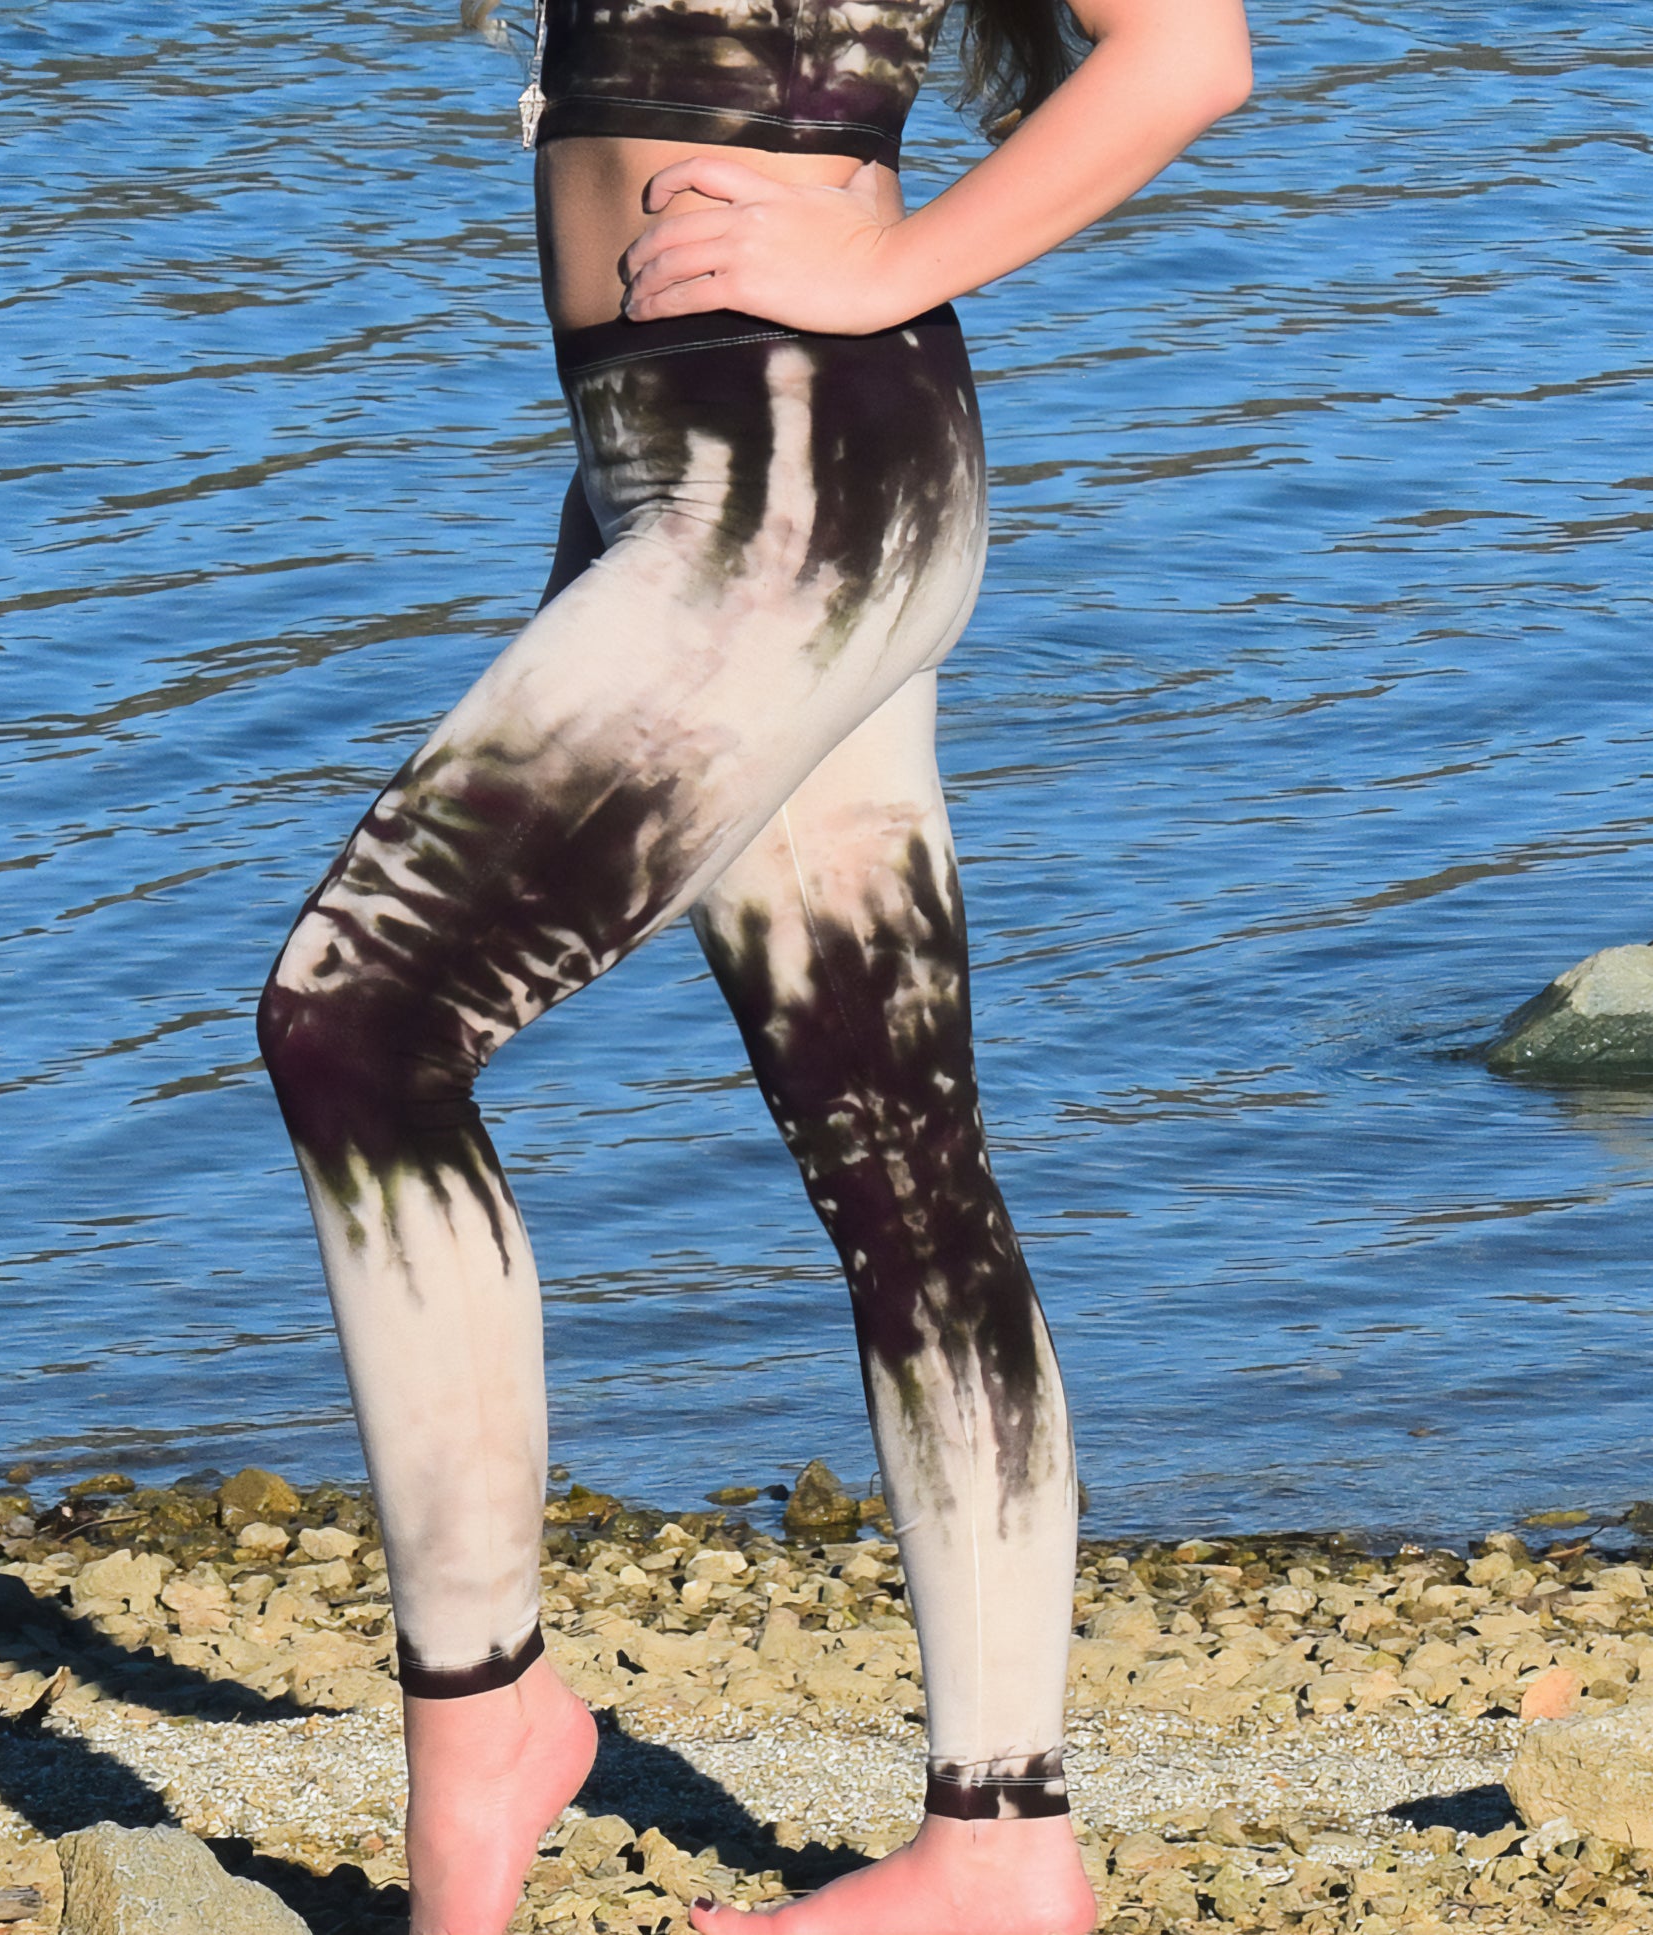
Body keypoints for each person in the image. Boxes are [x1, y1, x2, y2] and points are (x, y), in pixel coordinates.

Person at [257, 0, 1250, 1923]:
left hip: (798, 485)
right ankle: (1000, 1843)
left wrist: (892, 252)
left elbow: (1187, 52)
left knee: (360, 1023)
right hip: (688, 466)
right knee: (895, 1149)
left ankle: (485, 1724)